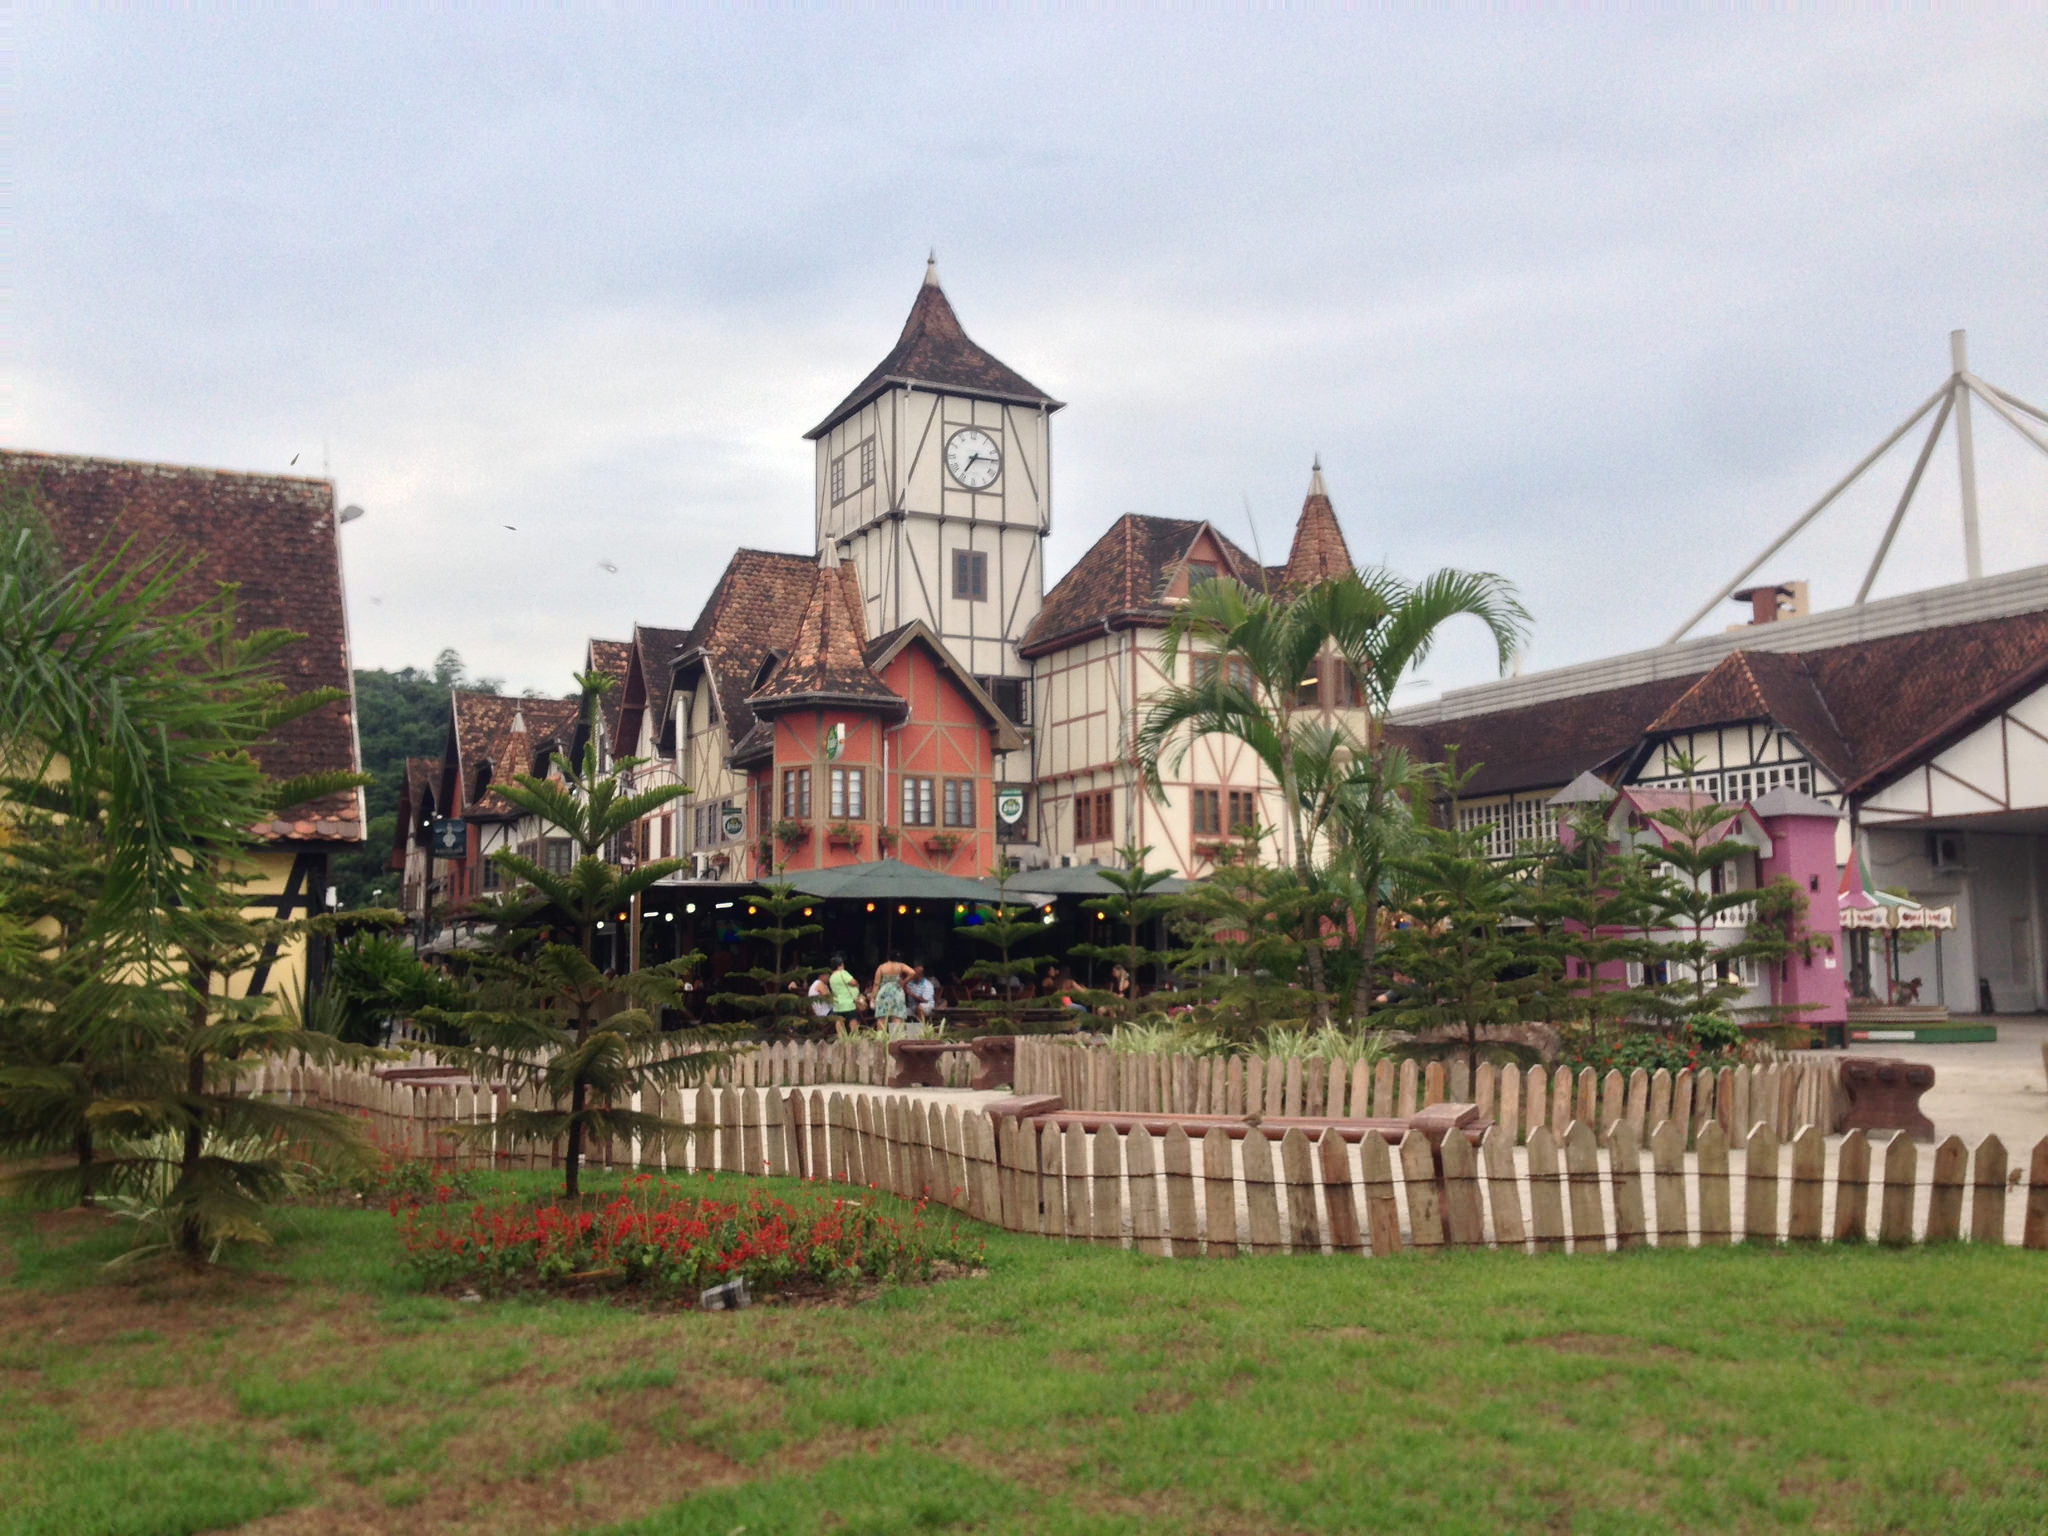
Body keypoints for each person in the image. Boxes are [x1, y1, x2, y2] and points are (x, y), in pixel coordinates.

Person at [872, 955, 913, 1034]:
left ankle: (880, 1039)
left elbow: (876, 984)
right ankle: (895, 1040)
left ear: (888, 958)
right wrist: (904, 982)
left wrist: (873, 997)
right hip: (897, 993)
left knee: (881, 1017)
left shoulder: (881, 967)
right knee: (897, 1016)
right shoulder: (901, 966)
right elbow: (912, 972)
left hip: (884, 993)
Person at [827, 956, 861, 1035]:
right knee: (852, 1020)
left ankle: (841, 1039)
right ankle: (854, 1038)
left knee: (839, 1022)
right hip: (848, 1003)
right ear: (841, 965)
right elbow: (853, 982)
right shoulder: (843, 973)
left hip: (837, 1004)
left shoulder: (831, 977)